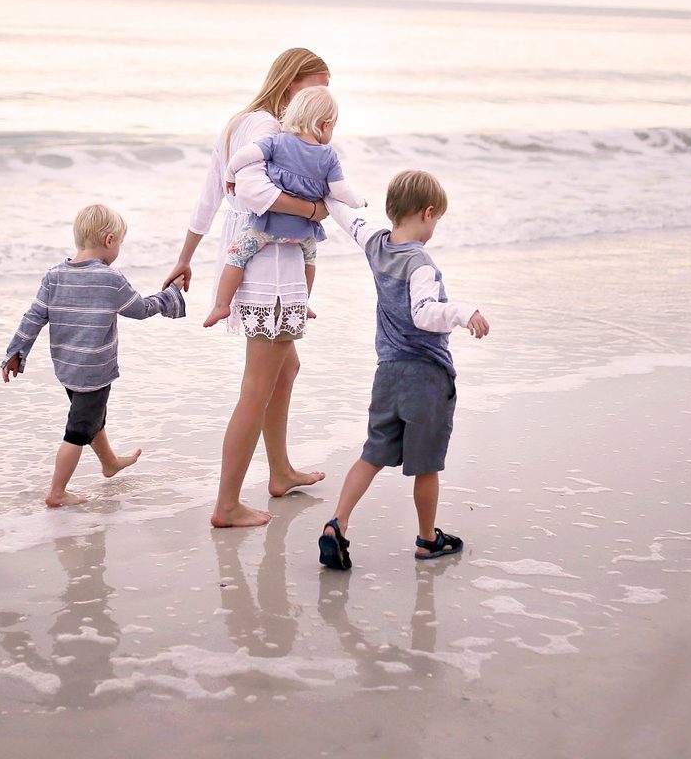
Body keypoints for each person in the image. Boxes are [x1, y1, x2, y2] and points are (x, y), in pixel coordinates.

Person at [163, 47, 330, 528]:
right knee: (257, 387)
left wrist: (186, 257)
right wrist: (315, 211)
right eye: (314, 86)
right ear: (290, 81)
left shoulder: (244, 121)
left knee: (286, 367)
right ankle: (227, 504)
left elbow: (210, 195)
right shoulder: (269, 128)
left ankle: (279, 471)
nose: (321, 98)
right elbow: (257, 194)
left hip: (255, 263)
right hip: (269, 269)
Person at [318, 170, 490, 570]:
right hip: (425, 377)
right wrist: (465, 313)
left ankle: (337, 524)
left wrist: (325, 185)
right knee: (426, 465)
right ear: (428, 213)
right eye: (437, 220)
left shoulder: (376, 244)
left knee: (372, 454)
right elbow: (425, 314)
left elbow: (347, 218)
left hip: (388, 374)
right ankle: (429, 539)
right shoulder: (421, 264)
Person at [1, 204, 186, 508]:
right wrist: (171, 294)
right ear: (110, 240)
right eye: (121, 244)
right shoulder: (110, 279)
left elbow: (34, 316)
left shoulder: (54, 275)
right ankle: (57, 491)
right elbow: (140, 309)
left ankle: (110, 462)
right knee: (78, 430)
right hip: (94, 370)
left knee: (89, 416)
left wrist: (16, 353)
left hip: (67, 367)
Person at [203, 86, 366, 330]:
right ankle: (303, 302)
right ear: (325, 124)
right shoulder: (328, 156)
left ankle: (221, 304)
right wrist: (358, 202)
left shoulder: (276, 142)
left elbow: (244, 155)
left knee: (236, 255)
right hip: (303, 232)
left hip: (267, 227)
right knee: (309, 262)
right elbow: (339, 190)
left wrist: (230, 174)